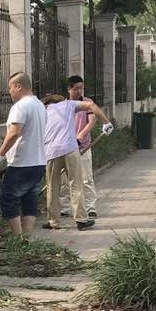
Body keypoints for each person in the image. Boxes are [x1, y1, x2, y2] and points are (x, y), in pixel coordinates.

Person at [42, 92, 113, 230]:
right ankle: (81, 220)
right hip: (69, 149)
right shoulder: (68, 104)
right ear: (61, 101)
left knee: (52, 187)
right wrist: (106, 122)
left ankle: (53, 222)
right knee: (76, 184)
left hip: (51, 152)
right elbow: (91, 105)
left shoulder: (43, 110)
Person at [0, 72, 48, 236]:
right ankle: (26, 240)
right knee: (29, 199)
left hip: (21, 163)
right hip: (38, 162)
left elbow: (14, 133)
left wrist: (0, 155)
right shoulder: (39, 105)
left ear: (18, 86)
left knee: (8, 199)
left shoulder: (20, 107)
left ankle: (18, 238)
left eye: (10, 88)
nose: (10, 92)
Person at [60, 75, 99, 218]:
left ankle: (90, 207)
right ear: (69, 89)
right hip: (66, 147)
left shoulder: (88, 103)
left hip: (84, 147)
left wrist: (80, 137)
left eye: (81, 88)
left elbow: (92, 122)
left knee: (86, 178)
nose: (79, 91)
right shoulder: (63, 105)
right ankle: (65, 207)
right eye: (75, 89)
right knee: (65, 180)